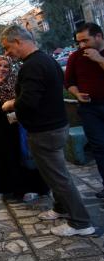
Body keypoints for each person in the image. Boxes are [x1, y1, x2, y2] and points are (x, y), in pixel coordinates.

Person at [0, 25, 95, 237]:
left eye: (7, 47)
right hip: (55, 126)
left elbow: (28, 102)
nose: (7, 53)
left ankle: (81, 222)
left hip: (45, 131)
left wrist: (11, 105)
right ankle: (61, 208)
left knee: (58, 178)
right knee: (55, 175)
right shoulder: (46, 59)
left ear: (18, 42)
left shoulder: (32, 66)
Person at [0, 55, 49, 200]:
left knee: (25, 155)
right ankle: (12, 189)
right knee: (5, 158)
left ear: (11, 68)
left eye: (6, 66)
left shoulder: (17, 80)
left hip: (19, 126)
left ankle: (35, 187)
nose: (2, 68)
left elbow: (27, 99)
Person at [64, 22, 104, 199]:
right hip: (89, 109)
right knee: (99, 147)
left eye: (85, 41)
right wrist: (77, 93)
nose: (82, 45)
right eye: (78, 42)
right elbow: (69, 82)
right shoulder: (75, 57)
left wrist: (99, 60)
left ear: (98, 37)